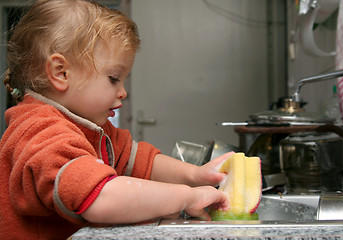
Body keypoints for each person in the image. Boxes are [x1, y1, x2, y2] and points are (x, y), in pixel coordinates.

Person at [0, 0, 232, 239]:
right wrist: (186, 197)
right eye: (113, 78)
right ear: (61, 72)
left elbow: (140, 160)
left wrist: (198, 175)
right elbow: (100, 197)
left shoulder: (87, 126)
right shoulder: (40, 131)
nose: (123, 92)